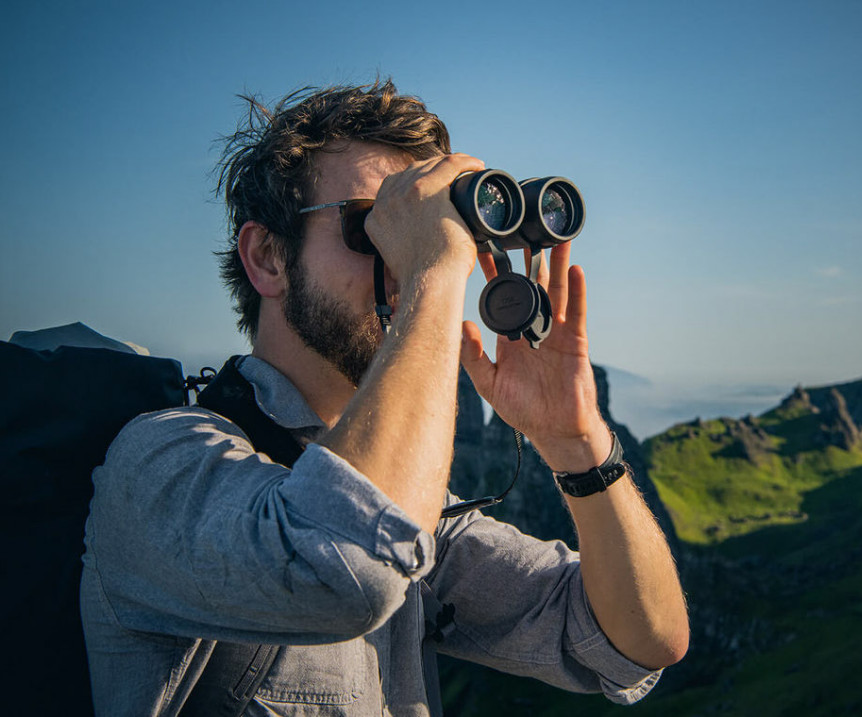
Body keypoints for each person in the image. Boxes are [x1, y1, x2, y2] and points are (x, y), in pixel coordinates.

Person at [80, 80, 689, 715]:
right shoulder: (161, 464)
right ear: (268, 258)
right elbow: (351, 563)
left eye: (418, 229)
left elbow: (639, 642)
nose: (403, 260)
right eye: (374, 226)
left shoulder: (419, 512)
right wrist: (433, 272)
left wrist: (578, 445)